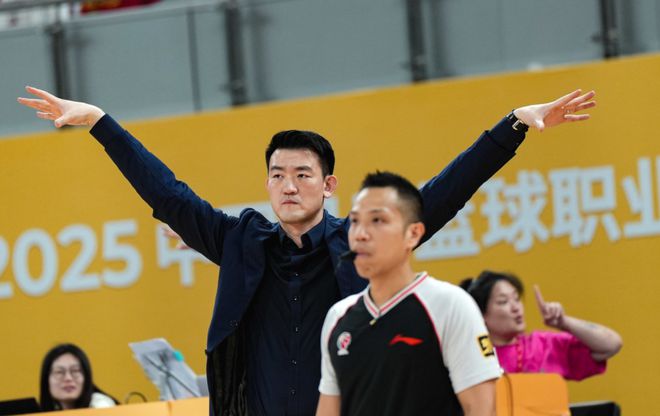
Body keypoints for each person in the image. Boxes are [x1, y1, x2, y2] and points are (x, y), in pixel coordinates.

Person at [18, 86, 595, 415]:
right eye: (277, 175)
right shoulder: (240, 242)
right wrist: (100, 123)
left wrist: (514, 126)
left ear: (329, 185)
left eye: (302, 174)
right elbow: (169, 195)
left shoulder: (361, 243)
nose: (288, 186)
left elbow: (441, 196)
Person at [317, 172, 501, 416]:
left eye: (377, 220)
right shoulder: (338, 317)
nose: (360, 233)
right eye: (355, 221)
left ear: (413, 234)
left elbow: (480, 410)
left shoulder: (451, 305)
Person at [460, 271, 622, 381]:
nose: (516, 307)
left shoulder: (542, 345)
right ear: (481, 315)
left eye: (516, 299)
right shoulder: (473, 358)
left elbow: (611, 344)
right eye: (503, 302)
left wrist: (564, 323)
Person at [39, 343, 117, 411]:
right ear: (46, 380)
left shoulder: (101, 404)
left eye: (75, 371)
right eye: (59, 372)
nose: (68, 378)